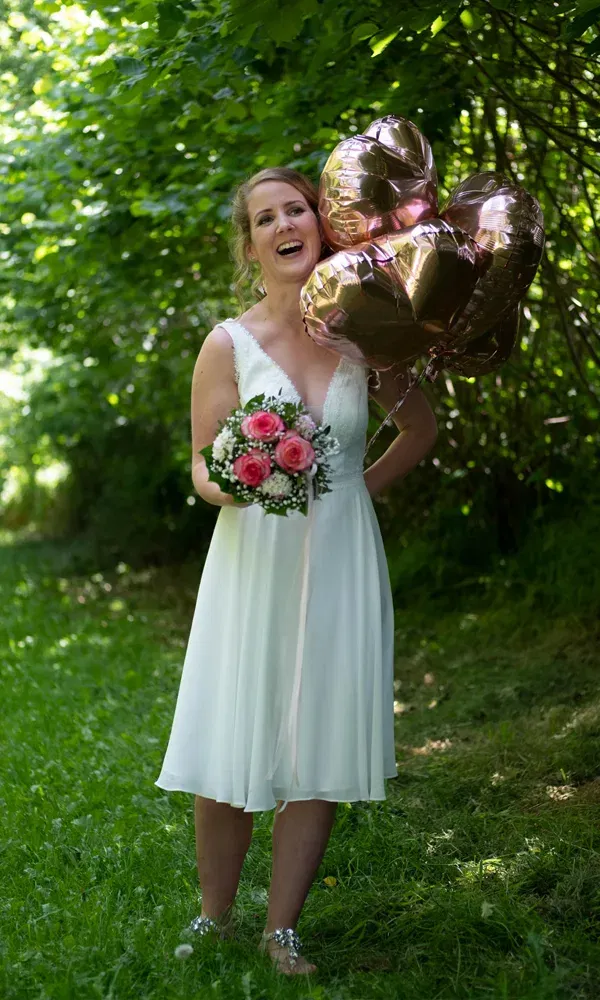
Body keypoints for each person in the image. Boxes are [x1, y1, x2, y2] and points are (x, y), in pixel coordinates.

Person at [155, 166, 438, 975]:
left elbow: (420, 431)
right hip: (254, 558)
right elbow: (203, 466)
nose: (285, 225)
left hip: (342, 556)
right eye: (265, 218)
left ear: (320, 226)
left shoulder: (365, 330)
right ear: (250, 247)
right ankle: (215, 916)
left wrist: (349, 493)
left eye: (297, 210)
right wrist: (243, 482)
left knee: (320, 739)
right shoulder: (228, 344)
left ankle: (281, 931)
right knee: (230, 728)